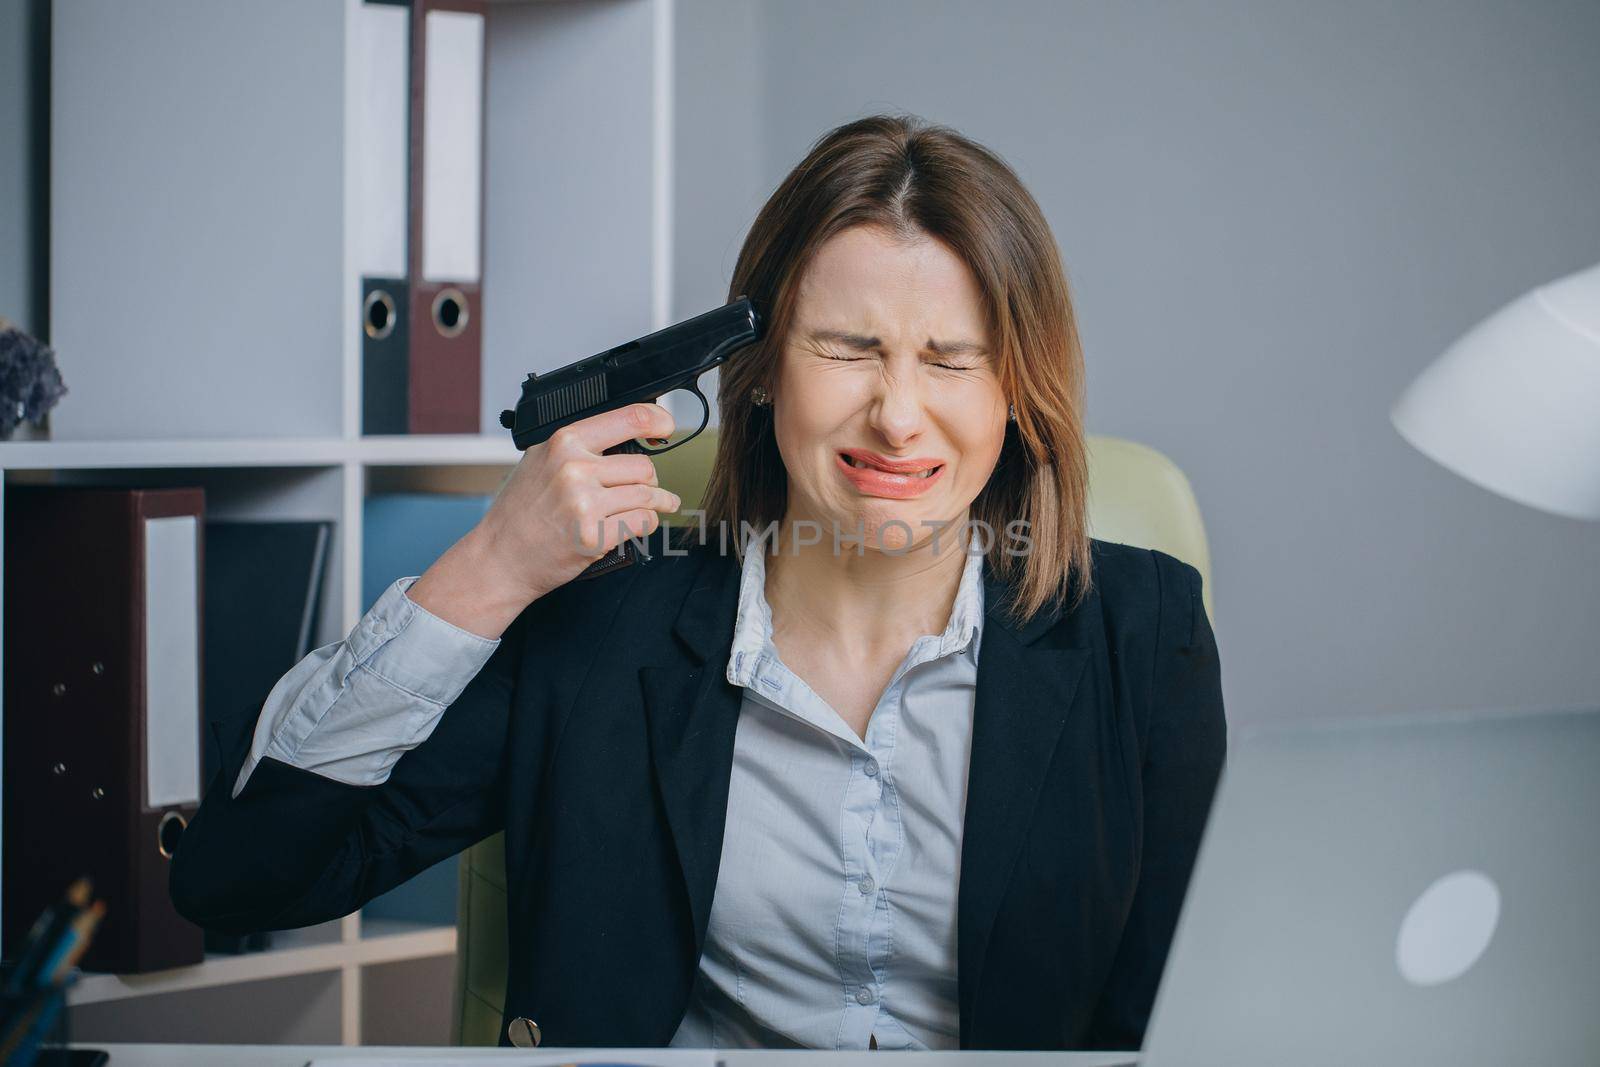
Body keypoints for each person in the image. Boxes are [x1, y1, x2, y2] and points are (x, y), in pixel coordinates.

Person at [171, 113, 1225, 1052]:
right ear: (760, 375)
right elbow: (243, 873)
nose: (899, 416)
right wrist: (493, 563)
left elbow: (1181, 1011)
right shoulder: (602, 628)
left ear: (1017, 391)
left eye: (952, 359)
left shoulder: (1145, 633)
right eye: (849, 349)